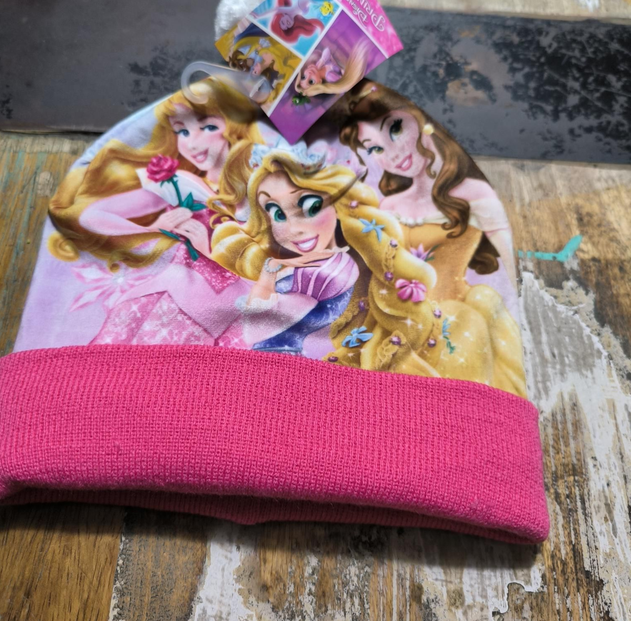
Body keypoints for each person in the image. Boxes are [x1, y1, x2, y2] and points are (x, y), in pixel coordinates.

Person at [339, 80, 526, 396]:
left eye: (395, 129)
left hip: (458, 321)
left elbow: (511, 275)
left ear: (420, 120)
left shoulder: (474, 194)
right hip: (400, 324)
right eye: (375, 149)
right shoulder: (388, 206)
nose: (392, 153)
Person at [48, 79, 263, 346]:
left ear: (235, 128)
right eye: (182, 131)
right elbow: (91, 217)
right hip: (174, 295)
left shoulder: (265, 186)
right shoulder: (178, 184)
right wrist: (153, 226)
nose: (192, 143)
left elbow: (276, 260)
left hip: (232, 302)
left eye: (208, 127)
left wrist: (207, 248)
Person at [211, 149, 439, 373]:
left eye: (311, 208)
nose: (294, 229)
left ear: (337, 206)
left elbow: (256, 327)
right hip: (273, 364)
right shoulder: (303, 265)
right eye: (278, 214)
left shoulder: (333, 272)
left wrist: (269, 275)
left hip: (285, 367)